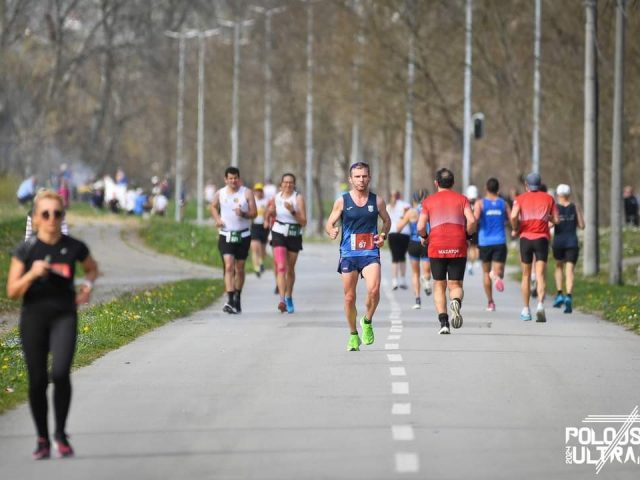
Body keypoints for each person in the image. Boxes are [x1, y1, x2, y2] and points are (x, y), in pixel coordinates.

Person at [6, 190, 98, 459]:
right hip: (33, 317)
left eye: (57, 214)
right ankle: (42, 438)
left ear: (62, 216)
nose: (51, 219)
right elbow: (12, 291)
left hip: (64, 316)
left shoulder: (74, 246)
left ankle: (60, 433)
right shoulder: (26, 250)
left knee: (59, 373)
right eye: (45, 214)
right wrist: (31, 274)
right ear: (35, 219)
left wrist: (87, 287)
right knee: (37, 380)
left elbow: (91, 269)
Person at [325, 161, 391, 351]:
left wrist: (383, 235)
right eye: (357, 176)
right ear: (350, 179)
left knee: (374, 290)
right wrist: (331, 231)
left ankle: (367, 320)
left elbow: (387, 221)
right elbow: (330, 223)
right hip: (348, 253)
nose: (361, 180)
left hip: (370, 252)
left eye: (364, 176)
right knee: (349, 298)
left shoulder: (377, 201)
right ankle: (353, 334)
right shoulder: (342, 201)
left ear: (369, 178)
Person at [417, 168, 476, 334]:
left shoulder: (428, 202)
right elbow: (471, 221)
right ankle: (455, 301)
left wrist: (425, 236)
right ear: (453, 183)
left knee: (439, 285)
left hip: (436, 246)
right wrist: (467, 236)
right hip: (458, 244)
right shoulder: (462, 199)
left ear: (436, 183)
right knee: (455, 284)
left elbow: (420, 226)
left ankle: (444, 323)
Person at [510, 172, 559, 322]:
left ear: (526, 185)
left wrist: (515, 227)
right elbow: (556, 220)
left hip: (525, 238)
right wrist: (547, 218)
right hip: (542, 239)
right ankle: (540, 306)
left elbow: (513, 216)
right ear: (540, 183)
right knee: (540, 275)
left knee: (526, 275)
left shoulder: (520, 199)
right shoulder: (549, 198)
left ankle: (526, 309)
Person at [210, 167, 257, 314]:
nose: (233, 181)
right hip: (226, 234)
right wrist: (217, 219)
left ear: (239, 178)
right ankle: (230, 300)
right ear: (225, 179)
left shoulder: (246, 193)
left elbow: (254, 213)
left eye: (235, 178)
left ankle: (237, 295)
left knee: (240, 268)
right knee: (229, 266)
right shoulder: (220, 193)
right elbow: (212, 206)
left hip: (243, 235)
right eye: (230, 178)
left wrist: (243, 213)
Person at [267, 174, 307, 313]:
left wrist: (292, 211)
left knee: (290, 268)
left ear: (294, 184)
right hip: (278, 232)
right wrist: (270, 214)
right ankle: (282, 300)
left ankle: (289, 296)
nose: (288, 185)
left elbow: (303, 221)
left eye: (290, 183)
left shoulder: (298, 198)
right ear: (281, 184)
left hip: (294, 233)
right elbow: (269, 213)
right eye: (285, 182)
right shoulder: (276, 197)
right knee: (281, 267)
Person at [474, 177, 511, 312]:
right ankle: (497, 277)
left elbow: (476, 218)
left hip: (484, 242)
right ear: (498, 189)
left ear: (486, 188)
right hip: (500, 241)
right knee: (499, 270)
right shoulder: (504, 203)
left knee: (485, 272)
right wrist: (514, 229)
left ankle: (490, 302)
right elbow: (511, 218)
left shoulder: (480, 204)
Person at [395, 189, 431, 309]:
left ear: (413, 200)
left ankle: (417, 300)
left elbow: (399, 228)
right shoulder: (431, 210)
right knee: (426, 272)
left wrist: (403, 216)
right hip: (427, 242)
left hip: (414, 243)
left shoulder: (411, 212)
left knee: (415, 273)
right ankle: (426, 281)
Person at [552, 184, 585, 314]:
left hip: (558, 242)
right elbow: (582, 225)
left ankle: (560, 293)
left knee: (559, 266)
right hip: (572, 242)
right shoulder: (574, 206)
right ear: (569, 195)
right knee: (570, 270)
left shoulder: (555, 208)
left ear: (558, 195)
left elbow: (550, 224)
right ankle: (569, 296)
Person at [386, 190, 410, 290]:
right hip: (404, 233)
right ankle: (403, 280)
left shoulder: (388, 206)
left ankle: (394, 281)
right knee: (402, 257)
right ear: (400, 196)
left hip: (392, 233)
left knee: (394, 258)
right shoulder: (405, 205)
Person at [250, 183, 269, 278]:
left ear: (262, 192)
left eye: (260, 191)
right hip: (254, 226)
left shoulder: (266, 201)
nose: (258, 192)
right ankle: (256, 268)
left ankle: (261, 262)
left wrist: (267, 221)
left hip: (264, 227)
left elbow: (269, 213)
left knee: (262, 250)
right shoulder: (251, 201)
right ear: (254, 192)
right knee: (254, 248)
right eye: (256, 191)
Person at [465, 185, 480, 275]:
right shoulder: (478, 203)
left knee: (470, 246)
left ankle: (471, 263)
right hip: (476, 227)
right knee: (474, 246)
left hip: (469, 227)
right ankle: (474, 261)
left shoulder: (466, 203)